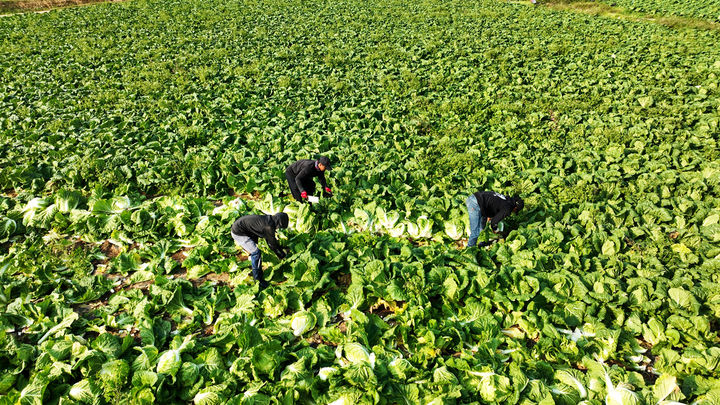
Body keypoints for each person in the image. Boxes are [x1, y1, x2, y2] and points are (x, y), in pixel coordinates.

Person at [230, 212, 290, 289]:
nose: (278, 228)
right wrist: (281, 255)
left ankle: (248, 250)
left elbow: (270, 241)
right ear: (279, 223)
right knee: (256, 252)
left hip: (244, 228)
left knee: (255, 247)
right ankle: (258, 279)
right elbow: (272, 244)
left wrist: (279, 248)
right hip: (239, 233)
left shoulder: (269, 219)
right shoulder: (268, 227)